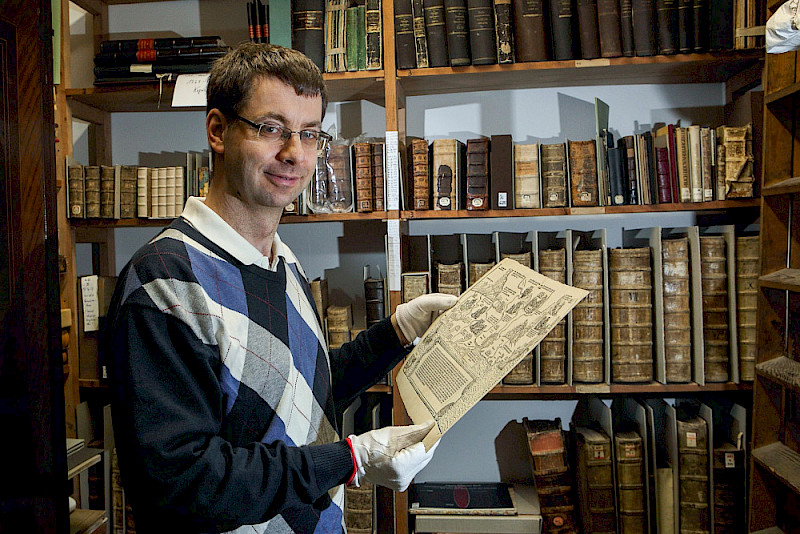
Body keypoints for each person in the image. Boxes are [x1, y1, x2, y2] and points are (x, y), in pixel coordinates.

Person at [102, 42, 457, 533]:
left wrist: (397, 331)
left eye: (309, 134)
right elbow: (184, 483)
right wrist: (349, 460)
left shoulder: (280, 259)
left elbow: (298, 392)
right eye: (271, 128)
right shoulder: (164, 282)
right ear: (218, 130)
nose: (293, 153)